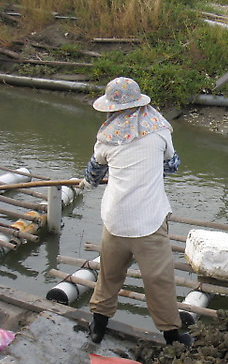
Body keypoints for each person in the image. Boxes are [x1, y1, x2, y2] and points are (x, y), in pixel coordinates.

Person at [82, 77, 191, 345]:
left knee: (109, 274)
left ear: (112, 108)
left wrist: (88, 182)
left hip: (115, 220)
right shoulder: (159, 129)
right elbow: (172, 165)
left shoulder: (106, 138)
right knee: (158, 280)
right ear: (139, 102)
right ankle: (172, 336)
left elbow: (95, 171)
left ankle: (98, 326)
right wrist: (151, 170)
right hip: (149, 222)